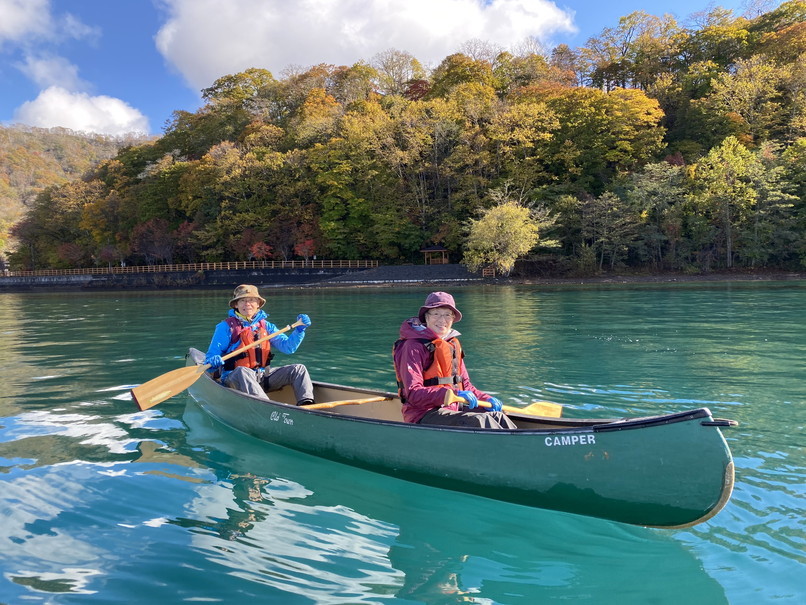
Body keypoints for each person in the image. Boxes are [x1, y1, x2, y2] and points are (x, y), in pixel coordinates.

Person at [393, 291, 517, 429]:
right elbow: (413, 393)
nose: (442, 320)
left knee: (497, 415)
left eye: (447, 315)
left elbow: (466, 386)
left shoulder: (452, 344)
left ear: (453, 319)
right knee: (480, 420)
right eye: (436, 314)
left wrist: (486, 398)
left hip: (453, 409)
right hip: (423, 414)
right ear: (426, 317)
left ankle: (522, 445)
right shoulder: (412, 347)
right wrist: (450, 394)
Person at [204, 284, 314, 405]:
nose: (247, 304)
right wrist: (213, 362)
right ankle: (267, 407)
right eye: (242, 300)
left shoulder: (267, 326)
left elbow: (288, 347)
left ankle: (306, 404)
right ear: (236, 305)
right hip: (235, 378)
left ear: (258, 304)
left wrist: (299, 331)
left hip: (262, 376)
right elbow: (210, 360)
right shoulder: (225, 327)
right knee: (242, 371)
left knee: (299, 369)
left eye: (251, 300)